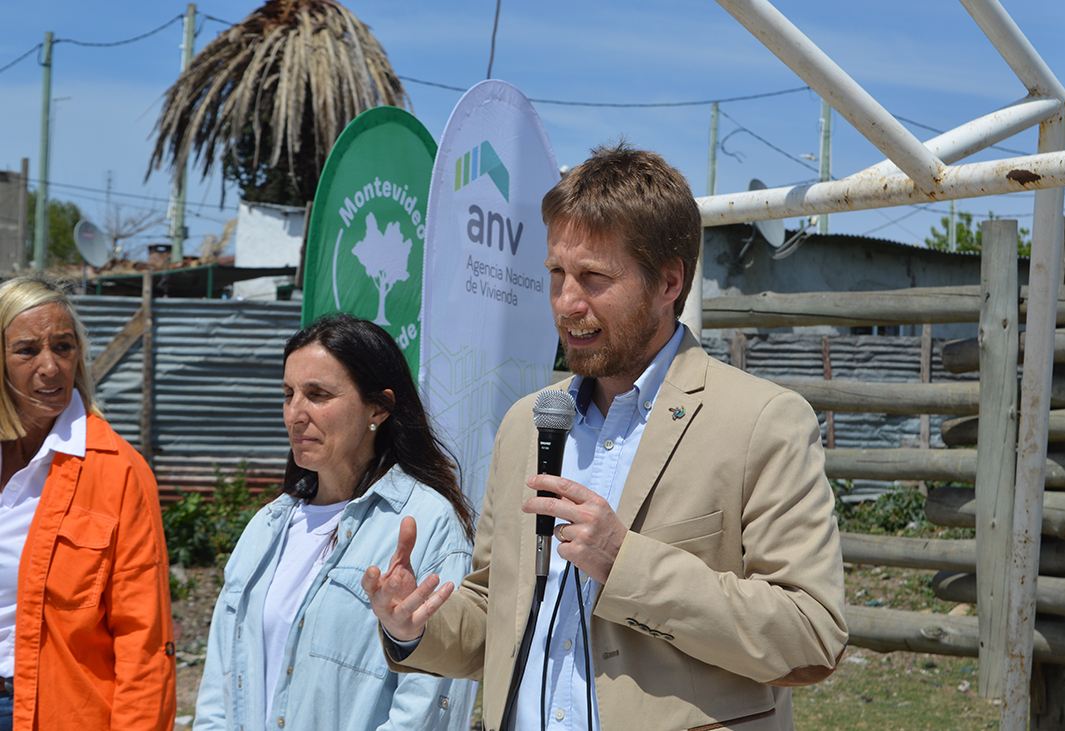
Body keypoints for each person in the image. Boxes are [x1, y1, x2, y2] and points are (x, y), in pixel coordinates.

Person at [364, 142, 848, 731]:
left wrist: (625, 562)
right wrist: (414, 627)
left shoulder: (762, 421)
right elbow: (499, 615)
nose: (567, 303)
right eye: (556, 275)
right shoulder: (528, 423)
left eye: (594, 278)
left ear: (669, 282)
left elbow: (811, 637)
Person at [194, 312, 476, 731]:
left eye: (318, 394)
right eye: (288, 394)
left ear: (377, 409)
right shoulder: (267, 526)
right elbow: (219, 685)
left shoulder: (425, 524)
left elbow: (429, 707)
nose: (295, 413)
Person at [0, 275, 176, 731]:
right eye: (26, 350)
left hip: (51, 712)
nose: (51, 366)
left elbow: (145, 638)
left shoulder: (118, 471)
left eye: (63, 346)